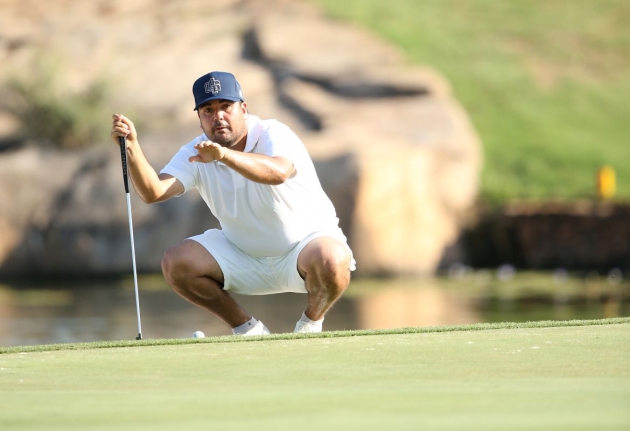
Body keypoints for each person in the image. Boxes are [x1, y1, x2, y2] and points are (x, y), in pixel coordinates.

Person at [110, 71, 356, 336]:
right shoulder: (196, 151)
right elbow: (153, 192)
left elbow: (278, 172)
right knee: (176, 262)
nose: (218, 116)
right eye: (208, 109)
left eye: (226, 107)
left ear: (244, 109)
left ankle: (309, 325)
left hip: (303, 251)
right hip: (243, 256)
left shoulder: (273, 133)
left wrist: (223, 156)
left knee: (333, 258)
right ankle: (248, 329)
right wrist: (132, 147)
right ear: (199, 117)